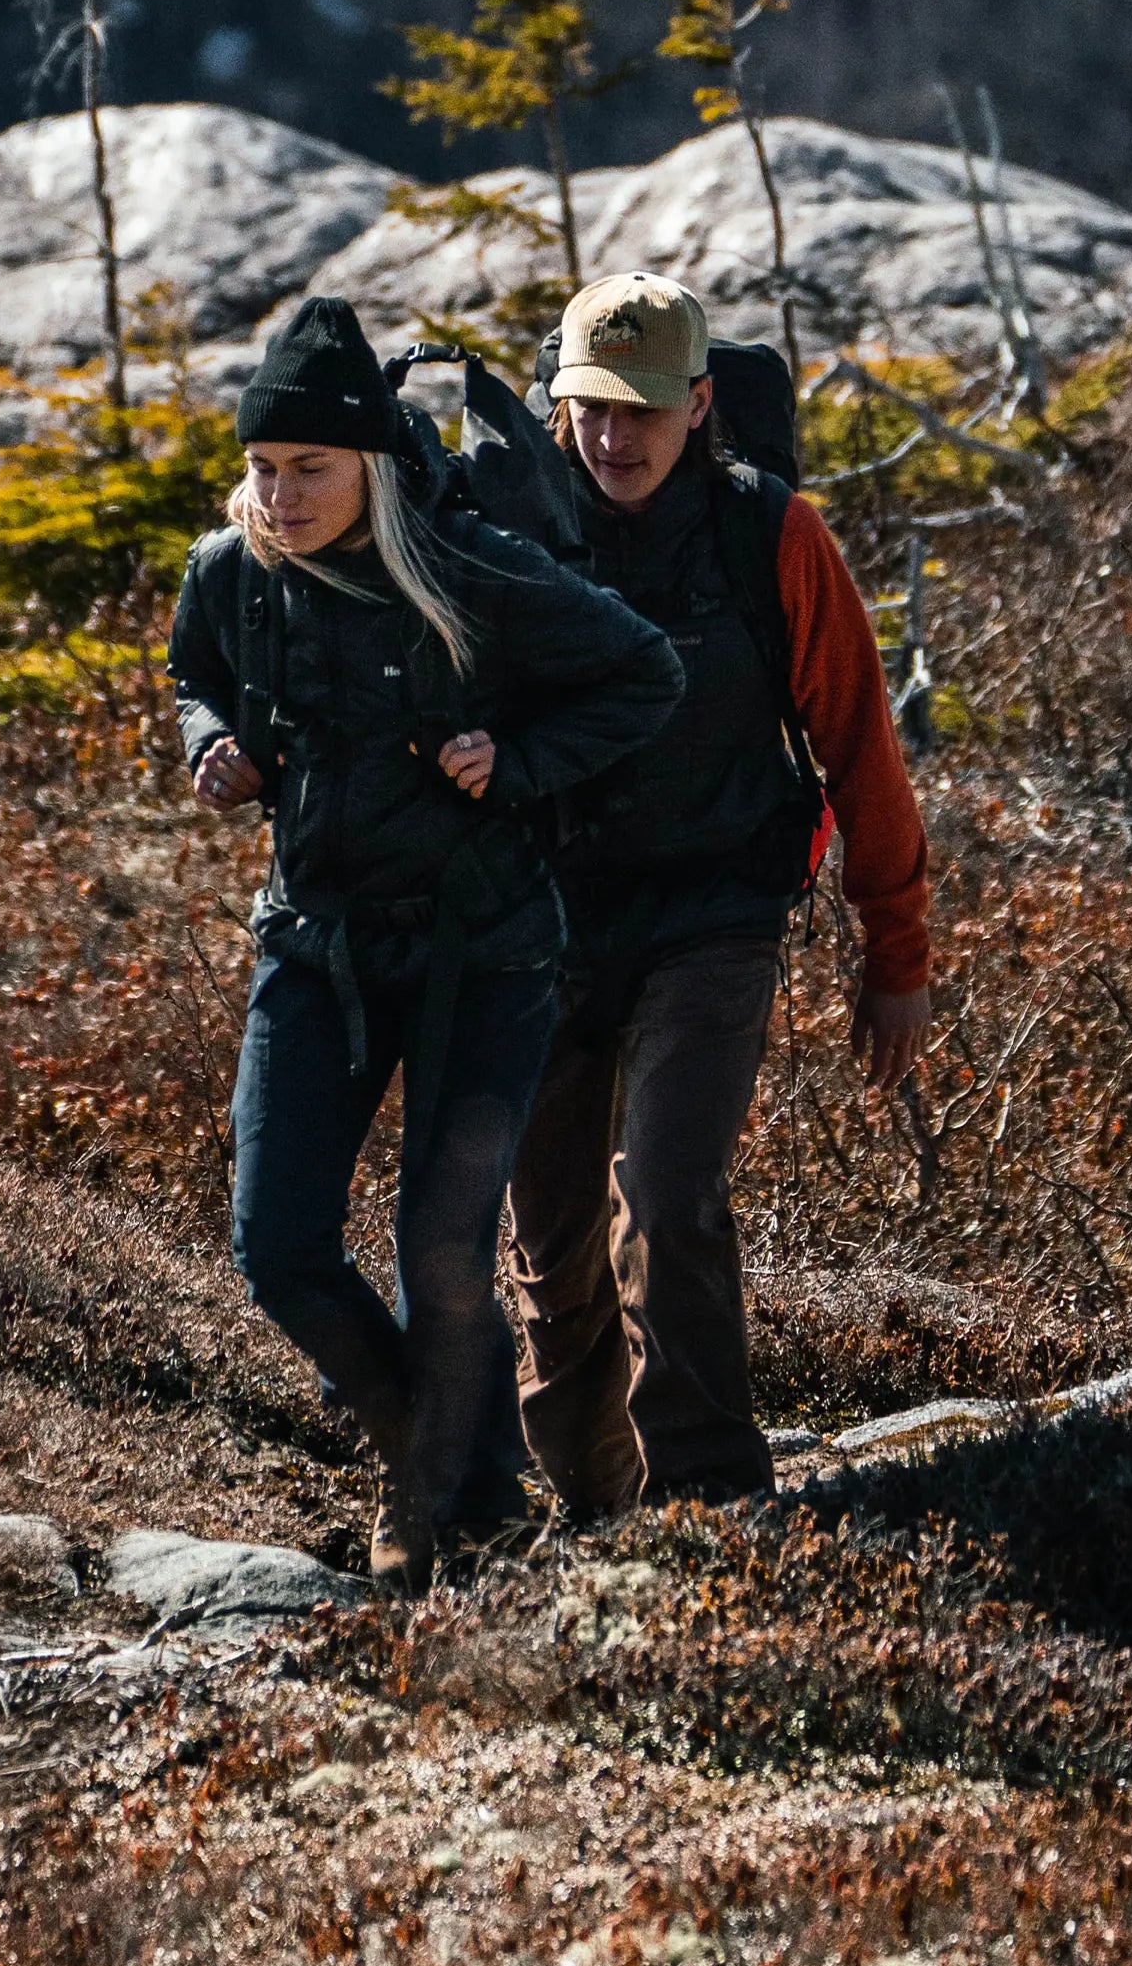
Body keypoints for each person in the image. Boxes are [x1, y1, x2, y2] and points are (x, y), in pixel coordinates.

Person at [170, 295, 684, 1593]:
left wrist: (517, 762)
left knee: (441, 1254)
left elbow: (644, 676)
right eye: (265, 471)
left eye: (310, 472)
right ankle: (438, 1450)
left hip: (487, 960)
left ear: (373, 469)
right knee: (276, 1245)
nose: (280, 498)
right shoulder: (232, 576)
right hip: (317, 952)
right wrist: (206, 745)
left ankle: (445, 1513)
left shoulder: (469, 567)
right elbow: (195, 675)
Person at [506, 272, 932, 1520]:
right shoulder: (512, 530)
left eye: (641, 408)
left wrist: (894, 953)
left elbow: (861, 749)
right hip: (545, 925)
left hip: (715, 920)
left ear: (699, 404)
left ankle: (711, 1508)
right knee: (548, 1238)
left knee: (669, 1188)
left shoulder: (773, 537)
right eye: (589, 406)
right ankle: (591, 1507)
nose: (613, 436)